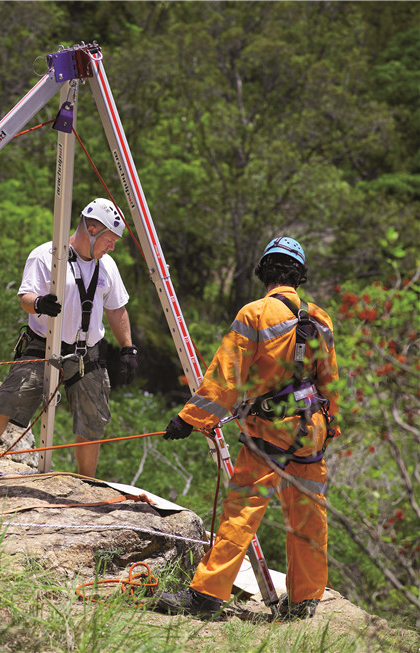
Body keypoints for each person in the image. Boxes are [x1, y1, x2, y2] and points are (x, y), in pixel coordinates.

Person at [155, 236, 340, 620]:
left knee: (241, 513)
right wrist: (330, 425)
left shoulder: (255, 314)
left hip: (268, 433)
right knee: (308, 515)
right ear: (299, 274)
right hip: (312, 433)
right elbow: (329, 382)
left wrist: (189, 419)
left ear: (265, 271)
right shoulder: (321, 319)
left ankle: (206, 597)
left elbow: (225, 378)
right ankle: (304, 601)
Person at [0, 198, 138, 478]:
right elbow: (25, 297)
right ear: (92, 229)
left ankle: (86, 482)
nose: (112, 247)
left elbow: (117, 310)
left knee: (92, 423)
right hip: (43, 346)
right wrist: (39, 303)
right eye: (109, 240)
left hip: (87, 354)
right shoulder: (47, 256)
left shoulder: (107, 266)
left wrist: (128, 348)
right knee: (7, 403)